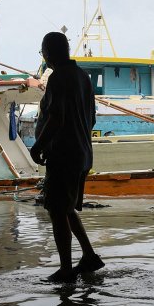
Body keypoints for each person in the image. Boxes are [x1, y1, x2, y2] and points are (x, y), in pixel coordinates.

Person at [31, 31, 105, 283]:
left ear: (48, 52)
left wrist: (37, 146)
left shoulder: (60, 77)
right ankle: (89, 256)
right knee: (66, 207)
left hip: (64, 154)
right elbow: (91, 118)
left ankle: (66, 269)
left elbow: (56, 117)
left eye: (43, 50)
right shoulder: (82, 77)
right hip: (82, 153)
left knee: (55, 208)